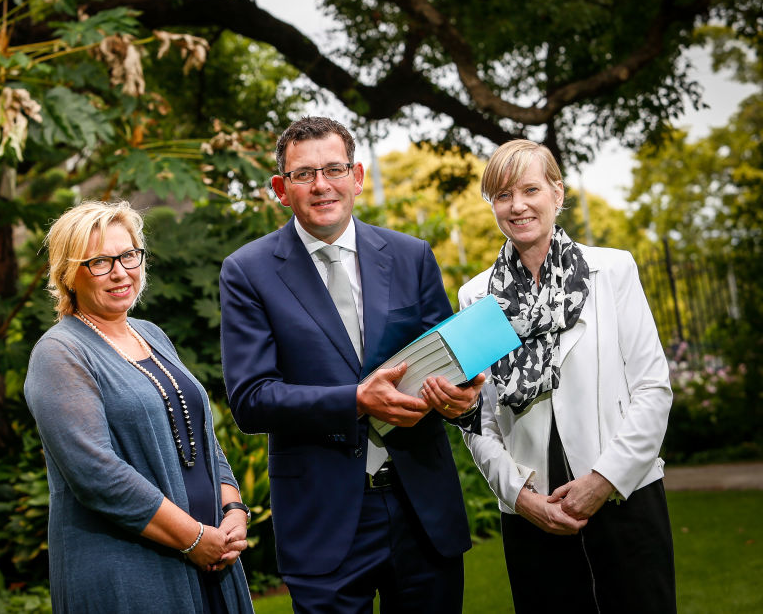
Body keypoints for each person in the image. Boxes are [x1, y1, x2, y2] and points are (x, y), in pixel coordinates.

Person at [219, 116, 484, 613]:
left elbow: (453, 366)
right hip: (325, 521)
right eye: (303, 174)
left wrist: (464, 400)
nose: (322, 185)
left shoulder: (412, 256)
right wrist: (357, 401)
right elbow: (251, 400)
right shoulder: (247, 272)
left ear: (357, 177)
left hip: (423, 512)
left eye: (334, 169)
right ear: (281, 188)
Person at [459, 139, 676, 613]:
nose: (517, 205)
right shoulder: (477, 298)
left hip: (625, 496)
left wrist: (603, 480)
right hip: (534, 514)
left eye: (530, 189)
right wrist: (519, 497)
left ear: (557, 193)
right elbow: (479, 420)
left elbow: (653, 390)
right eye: (501, 195)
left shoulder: (612, 270)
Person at [24, 201, 254, 613]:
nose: (120, 272)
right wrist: (194, 538)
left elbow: (200, 436)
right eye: (99, 261)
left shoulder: (150, 334)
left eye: (128, 255)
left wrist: (233, 508)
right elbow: (97, 474)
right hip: (129, 571)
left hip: (212, 553)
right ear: (68, 274)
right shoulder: (60, 352)